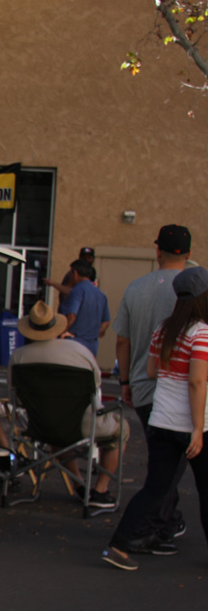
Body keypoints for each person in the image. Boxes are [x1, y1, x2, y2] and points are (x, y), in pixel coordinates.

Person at [102, 267, 208, 570]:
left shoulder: (163, 329)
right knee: (206, 489)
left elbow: (151, 371)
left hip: (161, 420)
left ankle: (117, 546)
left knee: (155, 488)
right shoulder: (202, 332)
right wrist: (198, 429)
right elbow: (197, 382)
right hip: (191, 425)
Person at [112, 223, 191, 544]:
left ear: (157, 250)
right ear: (188, 252)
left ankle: (165, 520)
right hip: (186, 389)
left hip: (146, 386)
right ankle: (159, 525)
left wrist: (127, 380)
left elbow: (123, 341)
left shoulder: (136, 288)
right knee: (173, 465)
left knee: (165, 462)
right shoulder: (196, 288)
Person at [11, 300, 126, 508]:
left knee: (58, 431)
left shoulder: (19, 357)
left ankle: (79, 484)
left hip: (40, 425)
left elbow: (15, 394)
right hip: (78, 423)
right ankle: (100, 488)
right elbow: (95, 385)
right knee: (121, 429)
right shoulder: (78, 351)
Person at [58, 258, 110, 357]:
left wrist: (62, 332)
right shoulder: (100, 294)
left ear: (75, 273)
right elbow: (106, 322)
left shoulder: (77, 291)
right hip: (92, 347)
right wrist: (92, 335)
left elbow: (72, 316)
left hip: (74, 345)